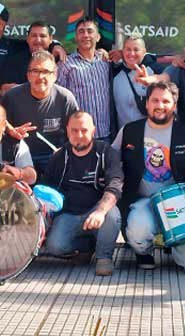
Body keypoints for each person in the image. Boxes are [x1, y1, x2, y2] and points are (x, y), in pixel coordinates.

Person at [114, 81, 185, 273]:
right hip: (143, 202)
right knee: (138, 230)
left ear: (174, 105)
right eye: (155, 100)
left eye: (166, 101)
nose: (160, 105)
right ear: (147, 103)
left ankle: (173, 244)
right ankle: (143, 251)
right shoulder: (129, 131)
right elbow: (111, 162)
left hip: (177, 205)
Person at [44, 111, 123, 276]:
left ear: (94, 130)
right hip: (70, 213)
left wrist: (100, 211)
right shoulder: (59, 157)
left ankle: (104, 256)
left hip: (97, 211)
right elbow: (48, 189)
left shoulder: (106, 153)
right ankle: (86, 247)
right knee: (54, 246)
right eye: (74, 130)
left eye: (84, 130)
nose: (79, 135)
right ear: (67, 131)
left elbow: (115, 186)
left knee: (112, 215)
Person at [2, 51, 80, 176]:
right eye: (35, 71)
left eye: (46, 72)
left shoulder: (65, 98)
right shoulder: (12, 96)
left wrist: (66, 150)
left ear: (55, 76)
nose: (40, 77)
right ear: (28, 75)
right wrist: (11, 131)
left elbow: (77, 131)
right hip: (20, 157)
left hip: (54, 156)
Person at [57, 16, 112, 141]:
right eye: (81, 32)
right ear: (76, 38)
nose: (85, 35)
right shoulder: (65, 64)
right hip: (78, 134)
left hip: (105, 132)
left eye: (90, 31)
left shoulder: (106, 61)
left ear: (98, 37)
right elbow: (58, 99)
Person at [111, 33, 164, 129]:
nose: (132, 53)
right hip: (124, 136)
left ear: (144, 52)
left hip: (151, 136)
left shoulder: (155, 71)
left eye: (136, 49)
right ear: (122, 51)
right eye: (128, 49)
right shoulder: (114, 74)